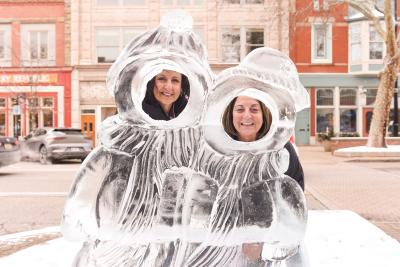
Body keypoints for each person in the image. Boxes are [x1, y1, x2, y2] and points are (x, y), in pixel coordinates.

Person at [222, 95, 304, 189]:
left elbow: (296, 188)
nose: (247, 115)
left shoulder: (280, 147)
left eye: (254, 109)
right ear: (230, 114)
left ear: (263, 114)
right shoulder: (219, 150)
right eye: (240, 109)